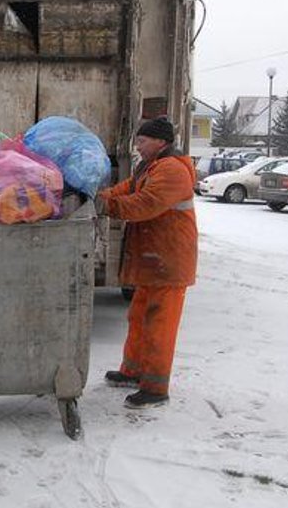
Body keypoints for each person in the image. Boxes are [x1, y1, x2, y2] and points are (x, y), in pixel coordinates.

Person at [97, 117, 198, 408]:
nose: (137, 147)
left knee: (159, 323)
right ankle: (133, 371)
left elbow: (145, 204)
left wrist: (106, 206)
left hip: (169, 260)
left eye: (142, 141)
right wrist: (99, 195)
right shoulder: (151, 166)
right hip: (154, 260)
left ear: (160, 142)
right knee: (139, 316)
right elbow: (128, 188)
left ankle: (155, 388)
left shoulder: (172, 169)